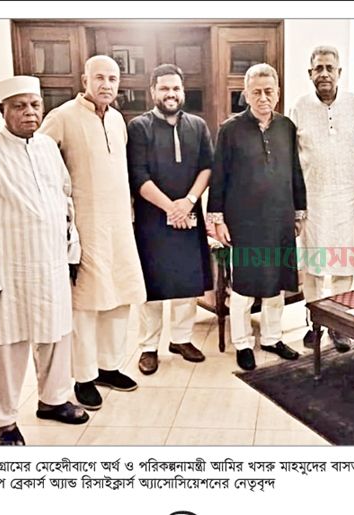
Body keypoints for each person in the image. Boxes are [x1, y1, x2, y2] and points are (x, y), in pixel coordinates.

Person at [0, 76, 89, 445]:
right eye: (19, 106)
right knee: (6, 345)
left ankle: (53, 400)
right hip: (9, 267)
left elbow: (65, 197)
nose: (29, 112)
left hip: (52, 262)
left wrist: (72, 247)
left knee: (57, 334)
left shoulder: (46, 146)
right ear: (2, 111)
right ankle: (4, 421)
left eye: (34, 105)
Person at [40, 56, 146, 410]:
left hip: (120, 224)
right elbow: (40, 163)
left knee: (119, 296)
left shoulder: (117, 120)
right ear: (85, 80)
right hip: (84, 226)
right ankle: (84, 376)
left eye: (112, 78)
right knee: (86, 303)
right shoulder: (63, 117)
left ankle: (108, 366)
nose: (106, 84)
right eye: (99, 77)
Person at [208, 63, 307, 371]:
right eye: (256, 92)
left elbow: (295, 171)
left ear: (277, 93)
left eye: (268, 91)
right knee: (244, 286)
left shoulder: (287, 127)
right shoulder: (230, 129)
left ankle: (272, 338)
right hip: (244, 221)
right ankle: (242, 343)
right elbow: (219, 176)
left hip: (280, 219)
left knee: (277, 283)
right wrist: (217, 219)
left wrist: (299, 212)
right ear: (246, 95)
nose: (263, 98)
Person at [127, 64, 214, 375]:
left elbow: (207, 167)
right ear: (153, 91)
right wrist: (170, 208)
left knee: (187, 282)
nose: (171, 94)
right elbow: (138, 175)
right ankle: (148, 347)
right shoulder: (139, 127)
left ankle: (181, 339)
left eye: (176, 88)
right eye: (164, 88)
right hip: (151, 219)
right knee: (151, 286)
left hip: (189, 214)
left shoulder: (198, 126)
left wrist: (188, 202)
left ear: (183, 91)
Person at [290, 45, 354, 352]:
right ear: (310, 73)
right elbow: (293, 159)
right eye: (318, 68)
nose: (324, 74)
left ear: (339, 72)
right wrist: (296, 203)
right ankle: (315, 324)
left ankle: (339, 326)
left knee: (343, 265)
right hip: (313, 199)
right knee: (313, 266)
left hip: (349, 198)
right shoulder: (300, 107)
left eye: (329, 68)